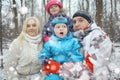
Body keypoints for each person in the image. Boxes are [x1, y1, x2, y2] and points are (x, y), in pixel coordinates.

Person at [72, 10, 113, 79]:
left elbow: (94, 61)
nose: (76, 24)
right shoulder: (75, 38)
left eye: (81, 20)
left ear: (89, 22)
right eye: (74, 22)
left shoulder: (99, 36)